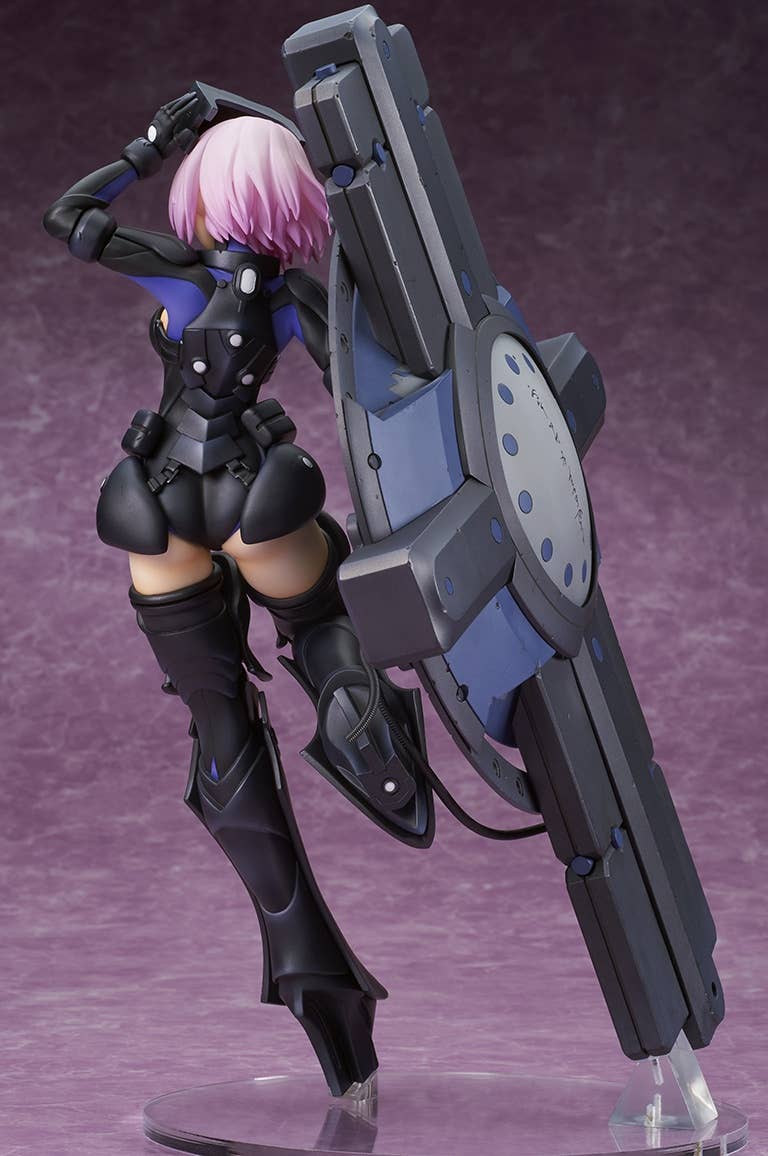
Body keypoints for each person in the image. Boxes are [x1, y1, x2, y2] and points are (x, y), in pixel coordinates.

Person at [43, 89, 430, 1096]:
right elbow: (382, 387)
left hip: (159, 501)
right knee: (321, 619)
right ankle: (353, 705)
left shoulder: (174, 271)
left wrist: (150, 142)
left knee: (220, 728)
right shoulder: (293, 298)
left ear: (204, 193)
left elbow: (70, 218)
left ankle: (311, 972)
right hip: (255, 496)